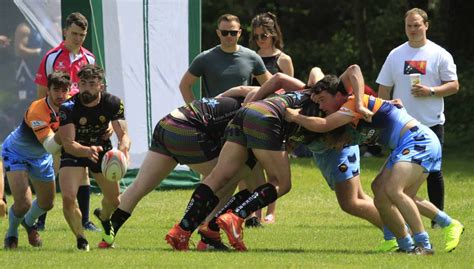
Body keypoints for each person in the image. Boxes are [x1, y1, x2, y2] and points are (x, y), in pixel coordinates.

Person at [165, 75, 354, 251]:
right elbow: (318, 79)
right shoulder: (320, 103)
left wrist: (255, 101)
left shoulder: (310, 92)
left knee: (221, 176)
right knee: (282, 183)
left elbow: (285, 79)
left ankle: (183, 230)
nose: (322, 105)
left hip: (247, 112)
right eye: (320, 99)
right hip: (267, 118)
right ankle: (234, 218)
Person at [285, 72, 464, 254]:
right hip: (406, 144)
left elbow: (324, 122)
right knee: (380, 191)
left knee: (394, 190)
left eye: (323, 100)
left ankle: (424, 245)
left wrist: (294, 117)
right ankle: (409, 243)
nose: (321, 106)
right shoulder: (349, 108)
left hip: (418, 140)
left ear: (338, 94)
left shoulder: (351, 103)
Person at [108, 93, 260, 251]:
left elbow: (243, 88)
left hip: (167, 123)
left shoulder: (252, 95)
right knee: (226, 177)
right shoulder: (262, 111)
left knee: (139, 186)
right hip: (185, 129)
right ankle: (206, 234)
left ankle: (107, 234)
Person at [376, 8, 459, 226]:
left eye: (416, 25)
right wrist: (383, 115)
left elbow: (454, 85)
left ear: (426, 25)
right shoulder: (395, 54)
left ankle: (437, 218)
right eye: (409, 26)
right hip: (402, 126)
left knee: (433, 171)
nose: (412, 30)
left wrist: (430, 91)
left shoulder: (439, 54)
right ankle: (401, 214)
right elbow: (383, 89)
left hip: (431, 122)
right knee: (399, 173)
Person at [34, 12, 98, 232]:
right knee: (53, 166)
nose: (78, 38)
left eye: (82, 35)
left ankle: (85, 220)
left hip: (81, 123)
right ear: (64, 32)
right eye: (74, 34)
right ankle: (40, 219)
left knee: (84, 170)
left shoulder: (89, 58)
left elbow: (94, 91)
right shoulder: (51, 57)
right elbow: (42, 93)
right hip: (56, 123)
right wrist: (46, 122)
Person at [57, 64, 131, 251]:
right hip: (75, 151)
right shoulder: (68, 107)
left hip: (101, 152)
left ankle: (104, 217)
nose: (86, 89)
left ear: (101, 86)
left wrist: (123, 150)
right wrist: (86, 150)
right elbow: (68, 144)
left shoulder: (113, 103)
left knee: (114, 201)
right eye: (82, 84)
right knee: (67, 197)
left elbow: (124, 135)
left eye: (91, 84)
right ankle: (81, 239)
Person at [2, 71, 70, 249]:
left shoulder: (71, 106)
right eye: (56, 90)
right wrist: (67, 136)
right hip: (16, 153)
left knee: (47, 202)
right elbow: (50, 146)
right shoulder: (37, 110)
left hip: (40, 157)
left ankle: (28, 223)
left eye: (65, 90)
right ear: (48, 90)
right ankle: (11, 233)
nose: (61, 95)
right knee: (23, 203)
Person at [245, 12, 294, 225]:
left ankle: (270, 212)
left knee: (273, 169)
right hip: (252, 115)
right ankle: (253, 211)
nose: (260, 40)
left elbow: (292, 89)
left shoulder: (283, 59)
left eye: (264, 35)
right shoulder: (250, 57)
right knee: (251, 167)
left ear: (273, 34)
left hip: (274, 115)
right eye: (256, 36)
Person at [179, 13, 272, 103]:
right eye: (224, 32)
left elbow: (270, 87)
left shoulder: (252, 57)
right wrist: (196, 112)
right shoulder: (205, 58)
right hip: (214, 116)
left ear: (239, 33)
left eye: (233, 33)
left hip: (243, 116)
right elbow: (184, 85)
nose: (229, 36)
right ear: (218, 33)